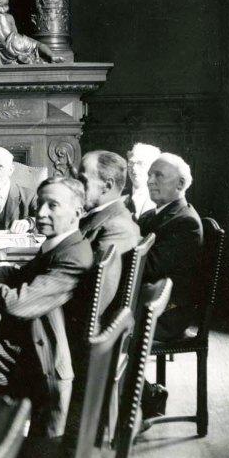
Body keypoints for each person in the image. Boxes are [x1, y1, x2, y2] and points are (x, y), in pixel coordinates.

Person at [0, 177, 94, 438]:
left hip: (41, 365)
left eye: (52, 205)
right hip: (31, 346)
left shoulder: (74, 255)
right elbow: (20, 275)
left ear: (77, 212)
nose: (40, 212)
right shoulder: (63, 243)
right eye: (40, 203)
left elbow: (19, 303)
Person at [139, 153, 204, 419]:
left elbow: (149, 267)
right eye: (149, 175)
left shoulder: (185, 222)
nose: (150, 181)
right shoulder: (152, 215)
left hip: (169, 314)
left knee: (104, 324)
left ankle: (145, 398)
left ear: (180, 184)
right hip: (152, 303)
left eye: (158, 176)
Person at [76, 150, 142, 308]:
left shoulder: (118, 228)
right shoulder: (96, 218)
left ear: (107, 185)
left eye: (82, 181)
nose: (77, 187)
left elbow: (94, 300)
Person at [124, 142, 161, 220]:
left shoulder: (163, 198)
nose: (134, 168)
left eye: (140, 163)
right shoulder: (120, 194)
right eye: (131, 163)